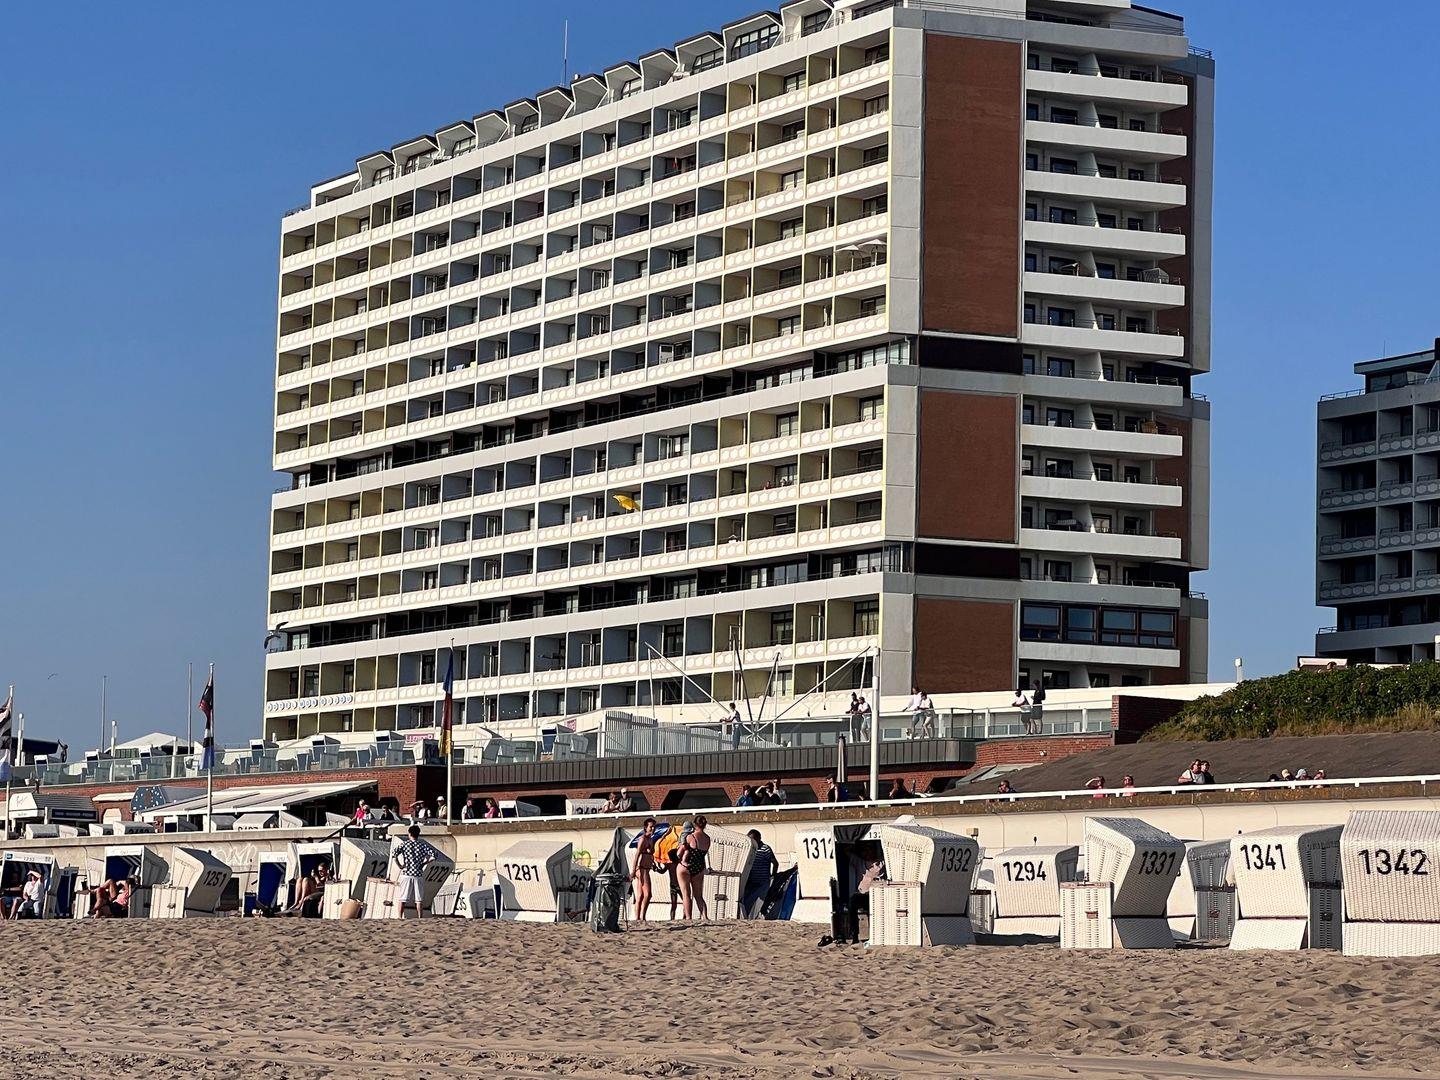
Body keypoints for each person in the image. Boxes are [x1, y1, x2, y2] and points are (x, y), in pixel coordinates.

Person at [394, 824, 437, 918]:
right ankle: (420, 917)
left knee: (403, 897)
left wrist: (400, 865)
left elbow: (394, 854)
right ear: (418, 834)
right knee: (419, 899)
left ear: (409, 834)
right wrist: (424, 863)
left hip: (407, 873)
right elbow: (434, 855)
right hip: (418, 873)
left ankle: (400, 916)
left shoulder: (405, 844)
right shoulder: (422, 845)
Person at [842, 853, 886, 945]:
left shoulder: (881, 863)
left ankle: (873, 936)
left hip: (873, 894)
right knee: (852, 905)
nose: (868, 853)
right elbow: (847, 852)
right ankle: (854, 935)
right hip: (860, 894)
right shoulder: (860, 862)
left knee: (872, 910)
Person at [676, 815, 711, 920]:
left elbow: (679, 853)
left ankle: (688, 917)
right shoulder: (707, 839)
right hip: (699, 867)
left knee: (686, 894)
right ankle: (705, 916)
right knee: (698, 896)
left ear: (695, 824)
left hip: (685, 867)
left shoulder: (690, 837)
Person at [741, 829, 778, 918]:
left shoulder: (765, 849)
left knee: (761, 904)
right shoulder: (749, 848)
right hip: (750, 881)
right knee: (747, 902)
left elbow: (775, 863)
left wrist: (773, 876)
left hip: (763, 882)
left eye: (753, 839)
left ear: (758, 839)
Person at [632, 818, 658, 921]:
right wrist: (633, 871)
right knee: (648, 894)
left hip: (646, 867)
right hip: (642, 868)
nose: (653, 828)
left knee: (640, 895)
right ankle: (642, 916)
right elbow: (637, 855)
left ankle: (638, 917)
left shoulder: (650, 839)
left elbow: (650, 855)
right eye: (651, 827)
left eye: (654, 827)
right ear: (646, 827)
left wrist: (653, 863)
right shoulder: (643, 839)